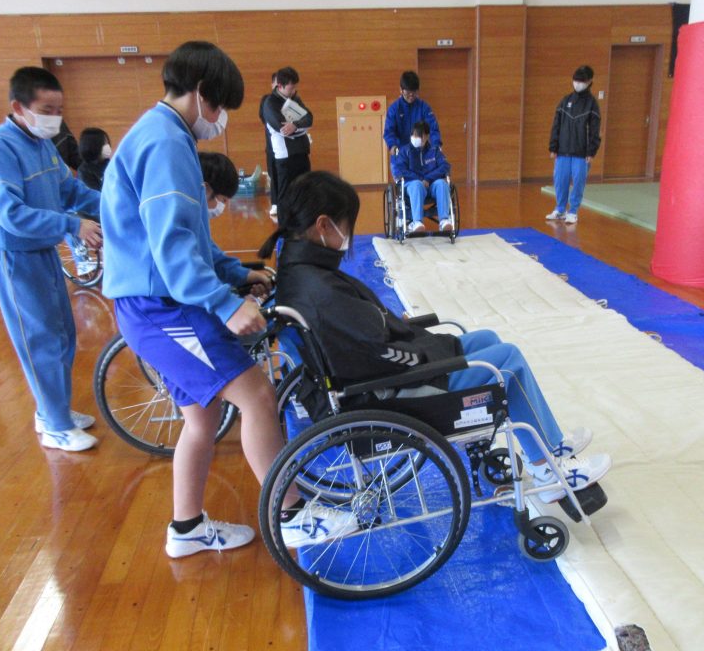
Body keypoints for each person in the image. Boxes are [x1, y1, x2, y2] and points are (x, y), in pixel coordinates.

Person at [101, 41, 353, 559]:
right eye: (218, 109)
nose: (218, 121)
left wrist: (237, 273)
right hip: (158, 306)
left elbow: (190, 239)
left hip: (156, 301)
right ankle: (294, 515)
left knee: (202, 419)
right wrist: (223, 301)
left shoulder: (165, 136)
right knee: (257, 394)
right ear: (200, 94)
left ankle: (187, 528)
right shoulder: (165, 143)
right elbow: (171, 246)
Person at [262, 171, 611, 501]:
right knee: (508, 359)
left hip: (374, 375)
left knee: (488, 337)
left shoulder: (299, 274)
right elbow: (377, 352)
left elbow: (364, 340)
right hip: (393, 391)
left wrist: (407, 334)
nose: (348, 235)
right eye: (345, 225)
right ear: (323, 225)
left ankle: (549, 441)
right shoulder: (321, 291)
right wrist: (424, 351)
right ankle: (546, 470)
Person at [0, 66, 102, 452]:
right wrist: (72, 225)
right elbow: (9, 213)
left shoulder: (41, 142)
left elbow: (71, 190)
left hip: (43, 250)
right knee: (39, 339)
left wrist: (117, 204)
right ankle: (56, 424)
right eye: (46, 108)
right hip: (16, 257)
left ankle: (52, 410)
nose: (54, 117)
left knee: (63, 333)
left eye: (58, 108)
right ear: (19, 106)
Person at [197, 151, 274, 300]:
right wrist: (232, 303)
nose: (222, 206)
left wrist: (247, 276)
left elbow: (214, 257)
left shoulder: (197, 221)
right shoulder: (180, 223)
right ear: (205, 190)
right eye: (223, 200)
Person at [546, 65, 601, 225]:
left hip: (581, 153)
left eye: (581, 81)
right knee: (560, 180)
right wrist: (553, 147)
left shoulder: (592, 104)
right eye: (575, 80)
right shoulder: (565, 101)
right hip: (563, 151)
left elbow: (595, 130)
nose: (577, 84)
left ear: (589, 82)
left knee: (578, 182)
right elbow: (556, 125)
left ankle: (573, 211)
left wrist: (591, 151)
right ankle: (560, 209)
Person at [260, 66, 312, 204]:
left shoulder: (295, 99)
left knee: (304, 189)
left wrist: (295, 125)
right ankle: (283, 219)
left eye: (295, 86)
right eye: (291, 87)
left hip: (301, 151)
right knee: (285, 192)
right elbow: (282, 129)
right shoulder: (270, 102)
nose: (294, 90)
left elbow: (309, 119)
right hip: (284, 155)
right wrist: (301, 126)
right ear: (280, 86)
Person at [392, 120, 453, 233]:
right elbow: (400, 170)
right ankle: (417, 222)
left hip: (431, 185)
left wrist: (428, 179)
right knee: (417, 185)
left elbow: (445, 166)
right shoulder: (404, 151)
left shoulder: (434, 151)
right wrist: (420, 179)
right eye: (413, 135)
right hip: (412, 186)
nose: (415, 138)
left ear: (426, 136)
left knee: (442, 184)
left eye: (419, 136)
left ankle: (444, 220)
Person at [383, 71, 442, 160]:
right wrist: (393, 146)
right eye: (408, 92)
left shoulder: (424, 107)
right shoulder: (394, 109)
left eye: (414, 92)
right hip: (401, 155)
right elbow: (389, 132)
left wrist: (436, 145)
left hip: (421, 155)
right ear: (401, 90)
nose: (411, 95)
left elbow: (433, 128)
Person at [257, 72, 280, 217]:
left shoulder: (292, 102)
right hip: (272, 147)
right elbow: (263, 118)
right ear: (272, 85)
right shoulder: (268, 101)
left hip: (290, 150)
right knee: (274, 175)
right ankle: (275, 204)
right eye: (277, 84)